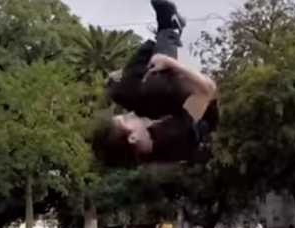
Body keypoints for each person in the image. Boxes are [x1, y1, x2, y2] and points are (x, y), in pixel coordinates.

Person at [92, 0, 219, 167]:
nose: (130, 114)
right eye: (126, 119)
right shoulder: (177, 134)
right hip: (202, 103)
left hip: (170, 106)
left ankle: (164, 34)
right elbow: (208, 89)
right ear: (133, 137)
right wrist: (170, 63)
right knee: (155, 87)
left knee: (121, 91)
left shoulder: (143, 140)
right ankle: (169, 27)